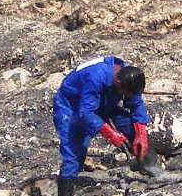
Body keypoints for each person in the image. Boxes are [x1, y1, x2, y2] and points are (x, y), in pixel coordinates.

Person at [53, 56, 149, 196]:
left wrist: (141, 134)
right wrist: (110, 134)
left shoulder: (130, 79)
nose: (127, 96)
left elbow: (136, 104)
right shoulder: (96, 77)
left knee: (132, 130)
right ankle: (66, 189)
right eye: (125, 94)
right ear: (118, 83)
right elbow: (85, 113)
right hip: (72, 105)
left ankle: (151, 168)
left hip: (103, 101)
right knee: (74, 153)